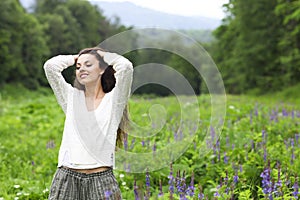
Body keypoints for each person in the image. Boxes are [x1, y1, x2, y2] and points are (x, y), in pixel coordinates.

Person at [43, 47, 133, 200]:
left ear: (102, 69)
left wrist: (103, 56)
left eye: (88, 65)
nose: (81, 69)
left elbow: (126, 68)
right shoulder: (71, 98)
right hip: (67, 178)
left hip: (101, 179)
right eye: (78, 67)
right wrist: (77, 58)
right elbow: (50, 67)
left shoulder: (114, 101)